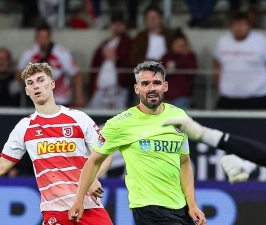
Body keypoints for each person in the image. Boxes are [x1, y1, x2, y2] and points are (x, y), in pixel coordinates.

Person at [68, 61, 206, 225]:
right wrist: (79, 199)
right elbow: (94, 161)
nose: (151, 88)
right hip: (148, 208)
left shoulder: (179, 116)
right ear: (137, 88)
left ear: (165, 86)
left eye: (156, 83)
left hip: (180, 207)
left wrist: (192, 205)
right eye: (145, 83)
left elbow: (184, 164)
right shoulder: (120, 124)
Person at [0, 62, 113, 225]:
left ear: (52, 84)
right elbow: (3, 166)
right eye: (30, 83)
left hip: (89, 206)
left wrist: (91, 178)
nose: (36, 86)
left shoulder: (79, 118)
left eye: (40, 80)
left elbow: (106, 155)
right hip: (55, 211)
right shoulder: (24, 127)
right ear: (26, 91)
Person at [213, 12, 266, 110]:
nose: (239, 28)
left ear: (249, 26)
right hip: (228, 97)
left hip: (257, 97)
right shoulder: (223, 41)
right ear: (231, 27)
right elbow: (216, 63)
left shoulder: (260, 41)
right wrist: (219, 84)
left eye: (243, 24)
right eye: (236, 24)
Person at [15, 22, 85, 108]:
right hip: (36, 100)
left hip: (60, 98)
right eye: (40, 37)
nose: (43, 41)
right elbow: (18, 72)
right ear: (36, 38)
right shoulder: (29, 53)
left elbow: (76, 74)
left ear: (50, 38)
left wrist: (79, 97)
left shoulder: (61, 53)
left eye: (45, 37)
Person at [88, 12, 133, 110]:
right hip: (100, 89)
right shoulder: (105, 44)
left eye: (120, 24)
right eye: (114, 23)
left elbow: (132, 64)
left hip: (118, 89)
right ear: (111, 25)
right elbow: (94, 66)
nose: (117, 26)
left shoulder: (128, 43)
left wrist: (117, 58)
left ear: (124, 26)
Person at [161, 34, 198, 109]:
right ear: (172, 45)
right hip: (166, 97)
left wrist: (185, 57)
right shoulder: (166, 57)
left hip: (183, 97)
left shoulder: (190, 56)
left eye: (182, 45)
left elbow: (192, 73)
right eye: (177, 44)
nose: (180, 47)